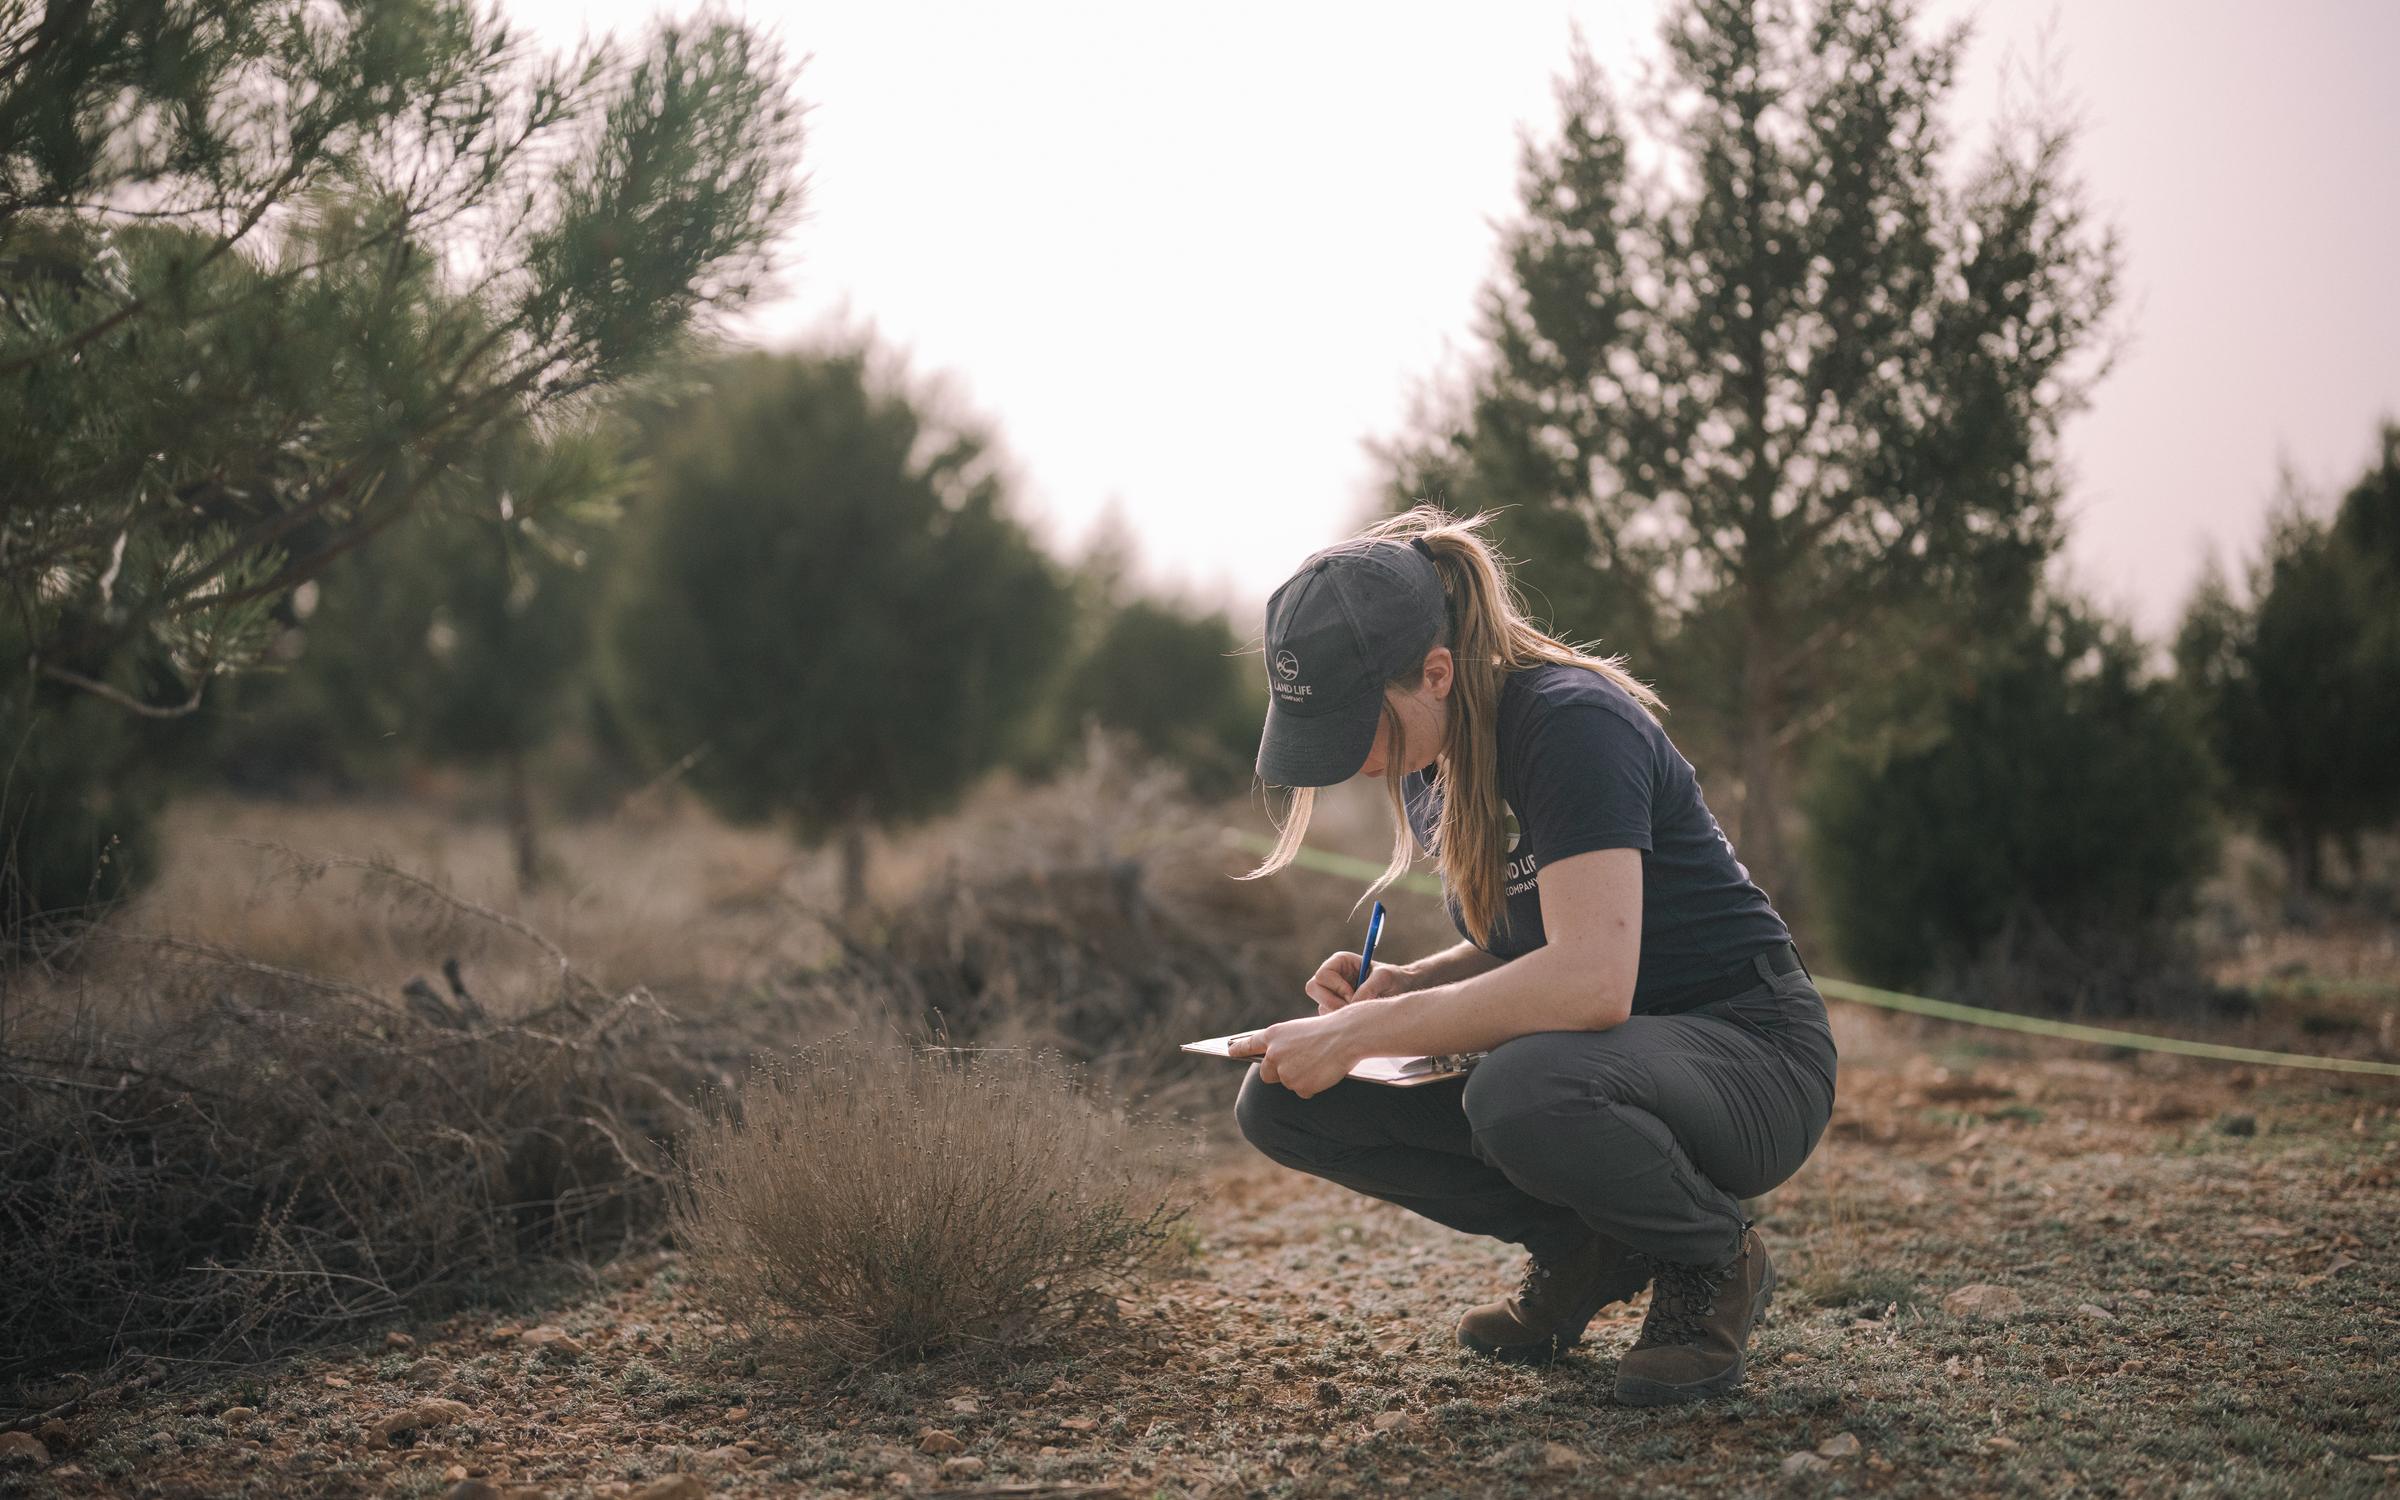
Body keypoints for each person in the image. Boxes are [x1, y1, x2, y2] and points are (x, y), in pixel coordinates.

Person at [1225, 506, 1838, 1407]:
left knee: (1524, 1088)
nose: (1351, 762)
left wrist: (1368, 1030)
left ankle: (1712, 1256)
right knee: (1281, 1106)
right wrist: (1403, 986)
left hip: (1754, 1051)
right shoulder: (1438, 759)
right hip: (1620, 1059)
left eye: (1360, 727)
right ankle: (1582, 1246)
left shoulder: (1570, 723)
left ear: (1436, 673)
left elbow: (1590, 979)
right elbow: (1521, 939)